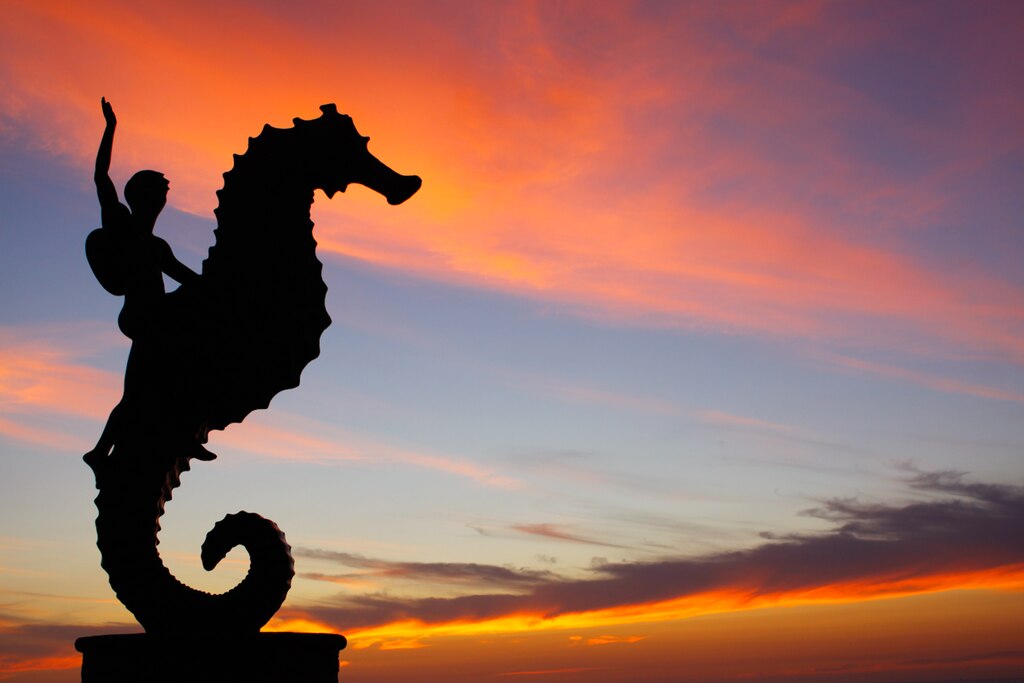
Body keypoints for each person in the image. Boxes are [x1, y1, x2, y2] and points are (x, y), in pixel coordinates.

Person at [84, 98, 214, 468]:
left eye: (164, 196)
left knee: (142, 391)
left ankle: (100, 451)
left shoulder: (158, 246)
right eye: (158, 194)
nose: (162, 201)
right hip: (145, 317)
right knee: (159, 380)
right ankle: (181, 433)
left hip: (160, 315)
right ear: (141, 199)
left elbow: (187, 278)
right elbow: (100, 178)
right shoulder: (121, 225)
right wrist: (110, 128)